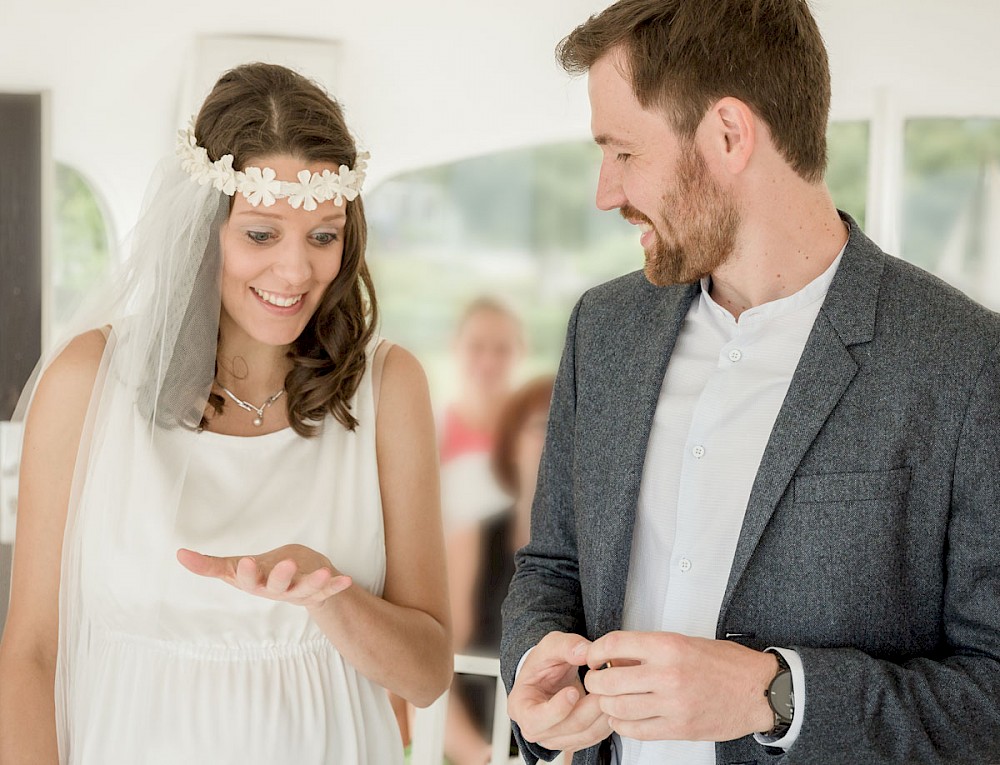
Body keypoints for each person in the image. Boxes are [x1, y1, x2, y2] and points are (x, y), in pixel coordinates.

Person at [500, 2, 1000, 764]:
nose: (605, 191)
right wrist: (535, 666)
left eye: (624, 152)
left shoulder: (965, 361)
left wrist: (776, 693)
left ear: (730, 134)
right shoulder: (602, 330)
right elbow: (552, 566)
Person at [0, 63, 451, 764]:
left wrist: (329, 592)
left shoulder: (390, 388)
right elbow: (29, 654)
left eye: (324, 236)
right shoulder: (89, 382)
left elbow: (427, 674)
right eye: (263, 234)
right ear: (200, 228)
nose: (296, 272)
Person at [445, 375, 554, 765]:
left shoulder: (602, 556)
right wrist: (478, 756)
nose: (558, 439)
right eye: (544, 426)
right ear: (510, 444)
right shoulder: (470, 541)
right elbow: (433, 666)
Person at [439, 297, 525, 531]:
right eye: (476, 346)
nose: (488, 362)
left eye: (502, 349)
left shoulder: (538, 434)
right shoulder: (432, 432)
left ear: (522, 351)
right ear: (455, 346)